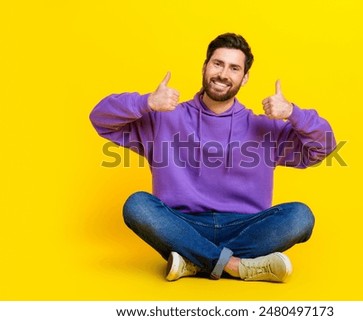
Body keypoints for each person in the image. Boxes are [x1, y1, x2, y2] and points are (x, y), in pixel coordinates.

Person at [90, 33, 336, 282]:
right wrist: (147, 102)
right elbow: (100, 119)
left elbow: (324, 146)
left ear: (245, 77)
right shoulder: (164, 117)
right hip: (182, 225)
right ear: (205, 66)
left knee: (300, 216)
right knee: (137, 205)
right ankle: (234, 265)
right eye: (217, 63)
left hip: (245, 227)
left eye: (234, 68)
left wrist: (293, 113)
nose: (223, 74)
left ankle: (195, 261)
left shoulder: (265, 127)